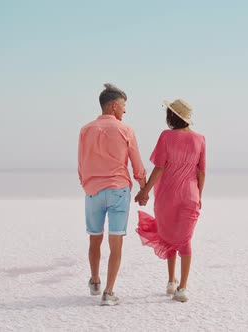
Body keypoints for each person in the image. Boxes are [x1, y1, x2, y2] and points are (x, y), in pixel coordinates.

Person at [78, 83, 146, 306]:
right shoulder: (126, 130)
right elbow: (137, 164)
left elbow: (81, 163)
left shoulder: (86, 129)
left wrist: (86, 184)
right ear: (115, 106)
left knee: (94, 239)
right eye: (124, 106)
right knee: (116, 241)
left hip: (92, 192)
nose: (125, 111)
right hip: (118, 190)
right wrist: (144, 189)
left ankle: (95, 281)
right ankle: (109, 292)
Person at [135, 99, 206, 303]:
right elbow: (202, 172)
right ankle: (182, 287)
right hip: (190, 196)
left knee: (169, 237)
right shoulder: (200, 139)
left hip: (166, 196)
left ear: (172, 116)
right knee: (184, 239)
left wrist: (144, 192)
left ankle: (171, 281)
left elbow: (159, 168)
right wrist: (198, 196)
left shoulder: (166, 136)